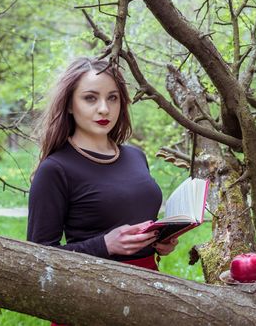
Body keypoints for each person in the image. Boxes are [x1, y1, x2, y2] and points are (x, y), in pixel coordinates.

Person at [27, 57, 178, 285]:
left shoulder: (135, 156)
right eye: (90, 98)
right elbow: (37, 258)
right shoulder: (55, 169)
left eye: (113, 98)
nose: (104, 109)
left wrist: (159, 240)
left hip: (151, 289)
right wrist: (104, 245)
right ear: (69, 104)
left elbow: (134, 218)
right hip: (94, 291)